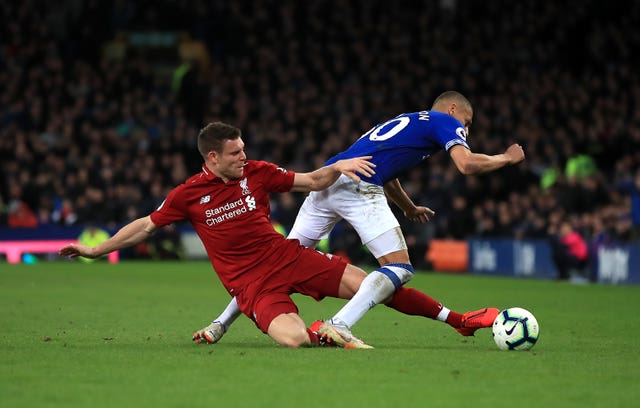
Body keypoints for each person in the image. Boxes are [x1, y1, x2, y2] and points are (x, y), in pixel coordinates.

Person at [60, 121, 497, 349]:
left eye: (244, 148)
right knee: (293, 340)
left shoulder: (259, 173)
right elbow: (145, 226)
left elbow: (311, 181)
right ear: (212, 158)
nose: (244, 157)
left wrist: (339, 167)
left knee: (371, 285)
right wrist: (97, 250)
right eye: (235, 153)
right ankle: (325, 335)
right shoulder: (188, 195)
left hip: (285, 256)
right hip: (248, 284)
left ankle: (459, 321)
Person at [194, 91, 524, 345]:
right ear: (453, 110)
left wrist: (407, 207)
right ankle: (339, 324)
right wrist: (504, 158)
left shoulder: (409, 120)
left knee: (273, 265)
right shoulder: (444, 122)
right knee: (399, 268)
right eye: (466, 123)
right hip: (358, 186)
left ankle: (220, 323)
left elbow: (387, 170)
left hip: (332, 180)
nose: (465, 130)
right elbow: (466, 165)